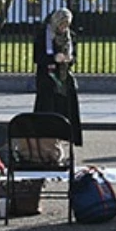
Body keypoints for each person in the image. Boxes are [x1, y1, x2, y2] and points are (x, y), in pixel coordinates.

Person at [34, 8, 82, 146]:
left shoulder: (70, 36)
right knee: (48, 108)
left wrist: (69, 59)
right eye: (62, 24)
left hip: (64, 77)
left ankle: (66, 136)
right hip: (47, 78)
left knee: (66, 108)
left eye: (67, 24)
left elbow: (74, 56)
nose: (64, 27)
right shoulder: (43, 35)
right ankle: (45, 137)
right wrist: (53, 58)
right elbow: (38, 57)